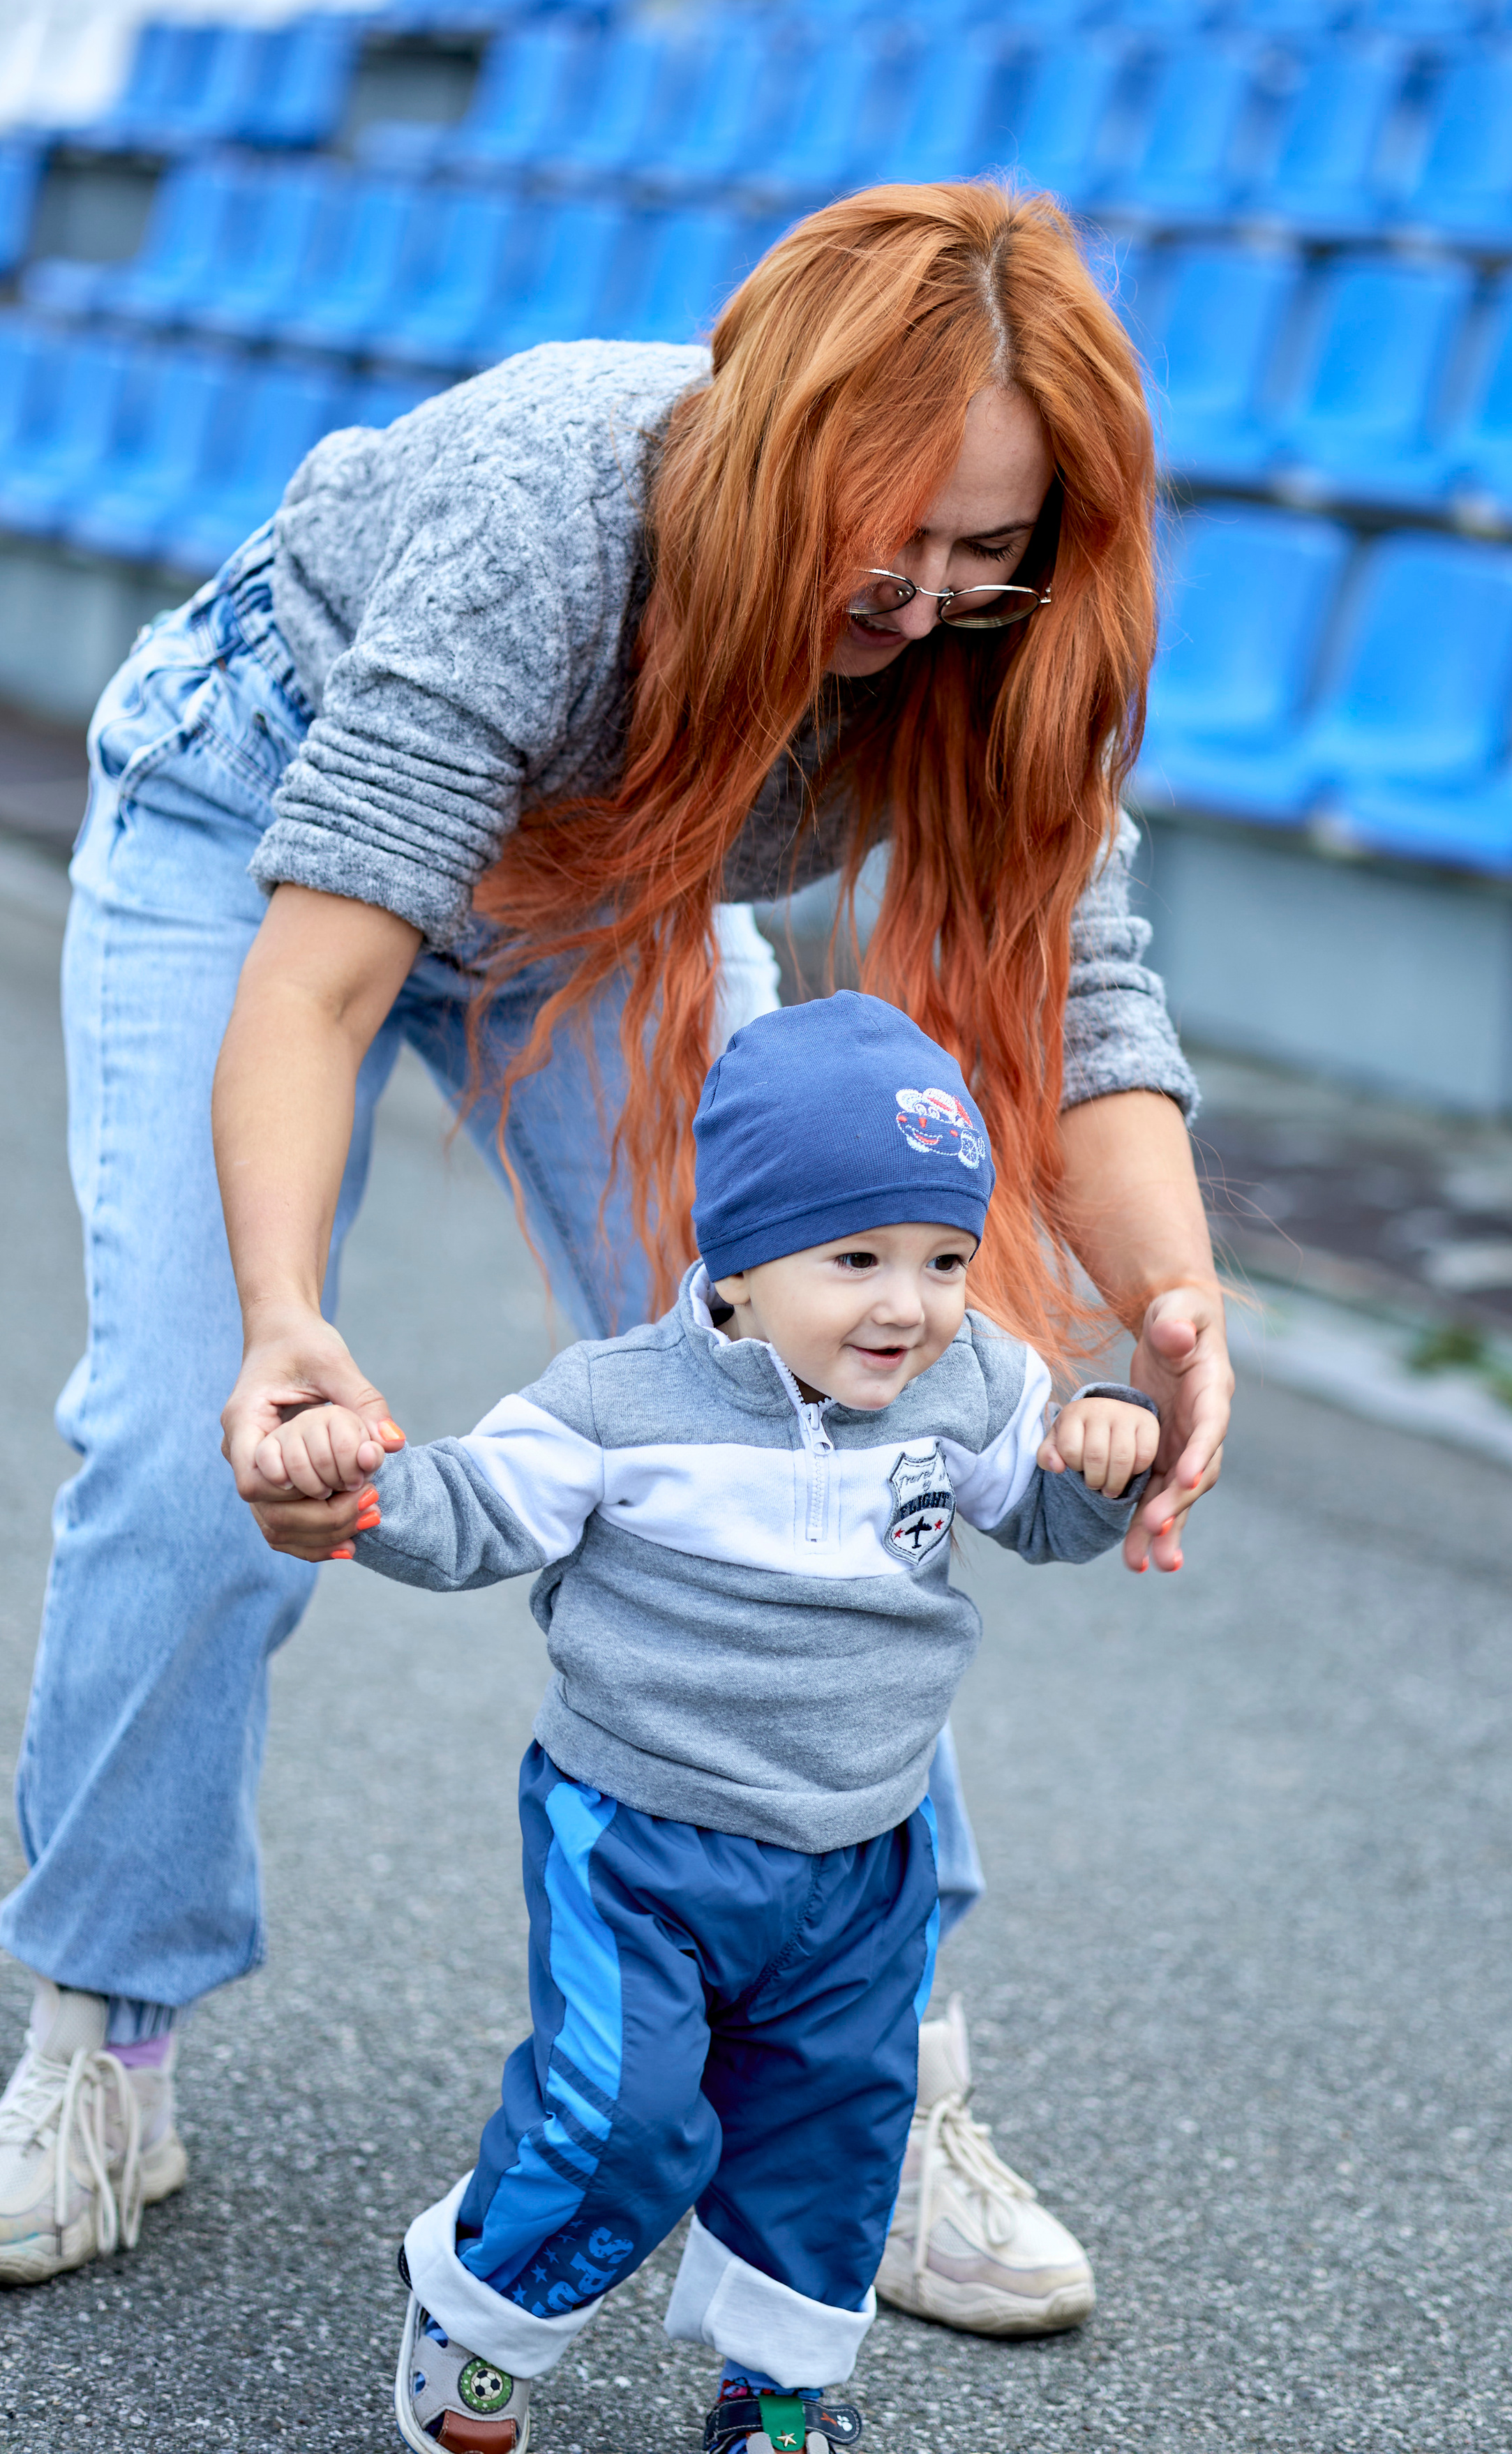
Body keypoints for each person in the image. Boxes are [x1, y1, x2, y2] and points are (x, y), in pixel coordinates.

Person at [0, 183, 1234, 2306]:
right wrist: (285, 1321)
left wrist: (1169, 1300)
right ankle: (102, 2037)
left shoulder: (1003, 647)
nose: (923, 597)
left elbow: (1080, 995)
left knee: (831, 1409)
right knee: (192, 1450)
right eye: (886, 536)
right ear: (774, 449)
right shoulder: (549, 514)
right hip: (258, 828)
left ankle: (875, 2087)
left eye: (984, 550)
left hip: (611, 900)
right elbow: (317, 979)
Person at [262, 992, 1163, 2454]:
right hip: (641, 1838)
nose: (906, 1305)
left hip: (862, 1856)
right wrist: (352, 1485)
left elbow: (1050, 1517)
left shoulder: (973, 1383)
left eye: (943, 1259)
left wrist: (1110, 1450)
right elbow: (473, 1508)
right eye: (855, 1259)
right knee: (622, 2118)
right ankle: (480, 2316)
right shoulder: (618, 1402)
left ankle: (779, 2390)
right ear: (738, 1261)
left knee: (832, 2129)